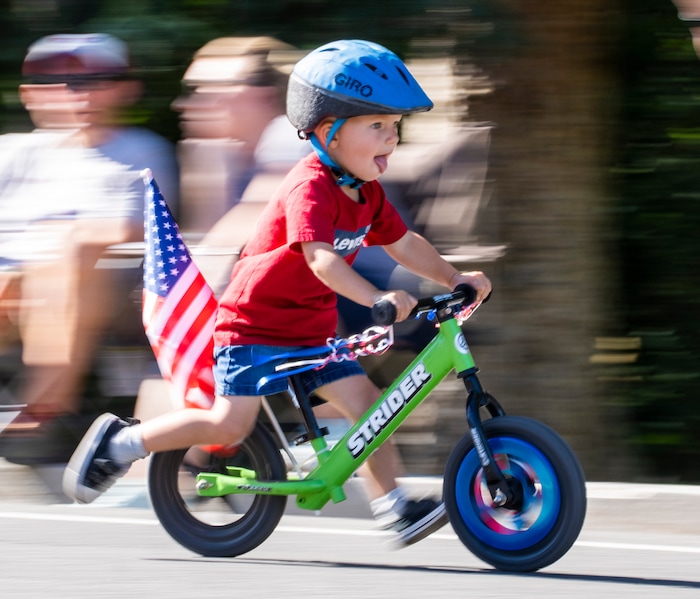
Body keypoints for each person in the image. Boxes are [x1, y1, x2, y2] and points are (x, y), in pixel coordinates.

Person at [63, 39, 492, 546]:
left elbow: (403, 242)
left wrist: (452, 278)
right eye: (376, 126)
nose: (390, 139)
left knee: (371, 407)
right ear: (329, 131)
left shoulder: (366, 191)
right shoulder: (308, 186)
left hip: (310, 331)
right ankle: (124, 442)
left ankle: (392, 506)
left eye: (394, 127)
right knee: (230, 423)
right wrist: (375, 298)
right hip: (253, 331)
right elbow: (321, 259)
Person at [0, 33, 178, 462]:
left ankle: (35, 414)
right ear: (30, 94)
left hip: (113, 287)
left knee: (67, 253)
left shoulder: (142, 151)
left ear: (125, 87)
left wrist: (59, 241)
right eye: (57, 81)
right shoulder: (13, 151)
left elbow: (148, 229)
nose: (78, 93)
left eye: (98, 79)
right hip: (20, 282)